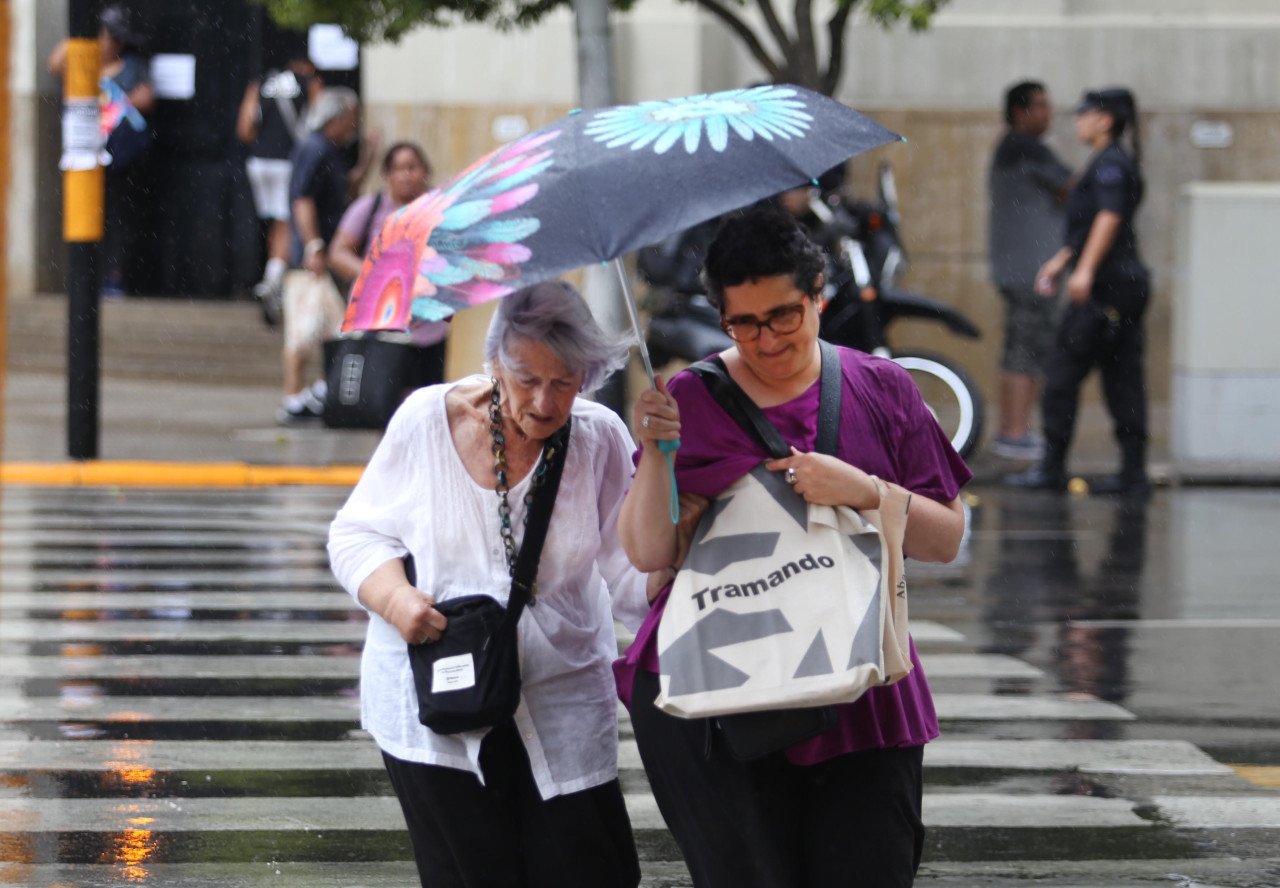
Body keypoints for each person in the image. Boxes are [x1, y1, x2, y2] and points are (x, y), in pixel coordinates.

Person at [617, 206, 971, 888]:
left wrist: (864, 490)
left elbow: (947, 537)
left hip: (859, 686)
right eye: (743, 322)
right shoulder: (689, 397)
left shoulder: (884, 389)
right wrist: (659, 454)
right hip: (719, 688)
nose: (766, 341)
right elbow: (646, 552)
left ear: (818, 294)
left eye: (784, 315)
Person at [327, 280, 647, 888]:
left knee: (588, 871)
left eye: (564, 381)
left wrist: (661, 467)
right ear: (495, 359)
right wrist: (396, 601)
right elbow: (357, 535)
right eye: (527, 378)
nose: (545, 402)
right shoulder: (427, 420)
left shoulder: (600, 436)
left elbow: (632, 574)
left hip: (560, 702)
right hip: (434, 704)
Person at [1006, 88, 1151, 495]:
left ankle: (1055, 467)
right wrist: (1062, 260)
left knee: (1065, 375)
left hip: (1108, 289)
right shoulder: (1107, 163)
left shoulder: (1110, 166)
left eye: (1084, 114)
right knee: (1121, 377)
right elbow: (1090, 226)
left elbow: (1108, 218)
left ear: (1105, 120)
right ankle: (1132, 474)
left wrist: (1083, 271)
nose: (1077, 121)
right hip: (1117, 286)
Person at [328, 141, 449, 408]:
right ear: (387, 175)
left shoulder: (439, 211)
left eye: (412, 168)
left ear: (424, 171)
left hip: (427, 328)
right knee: (384, 402)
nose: (405, 175)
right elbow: (338, 253)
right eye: (398, 168)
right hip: (381, 327)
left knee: (424, 405)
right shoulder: (370, 208)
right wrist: (378, 276)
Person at [988, 81, 1073, 460]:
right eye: (1040, 105)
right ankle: (1015, 433)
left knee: (1018, 349)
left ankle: (1012, 431)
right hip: (1031, 270)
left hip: (1017, 267)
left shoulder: (1012, 148)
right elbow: (1073, 187)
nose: (1048, 113)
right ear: (1020, 112)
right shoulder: (1026, 147)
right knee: (1027, 350)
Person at [47, 3, 155, 298]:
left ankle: (114, 277)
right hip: (84, 155)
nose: (113, 45)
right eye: (109, 36)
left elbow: (147, 96)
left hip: (119, 156)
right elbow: (55, 62)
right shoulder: (83, 59)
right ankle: (85, 277)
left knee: (118, 217)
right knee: (84, 215)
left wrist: (119, 101)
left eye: (118, 39)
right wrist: (82, 36)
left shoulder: (132, 65)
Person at [277, 87, 361, 425]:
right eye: (350, 119)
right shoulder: (314, 148)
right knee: (305, 327)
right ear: (336, 119)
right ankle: (294, 394)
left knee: (328, 327)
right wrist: (312, 244)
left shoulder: (328, 150)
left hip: (321, 254)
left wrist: (367, 157)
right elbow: (302, 199)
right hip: (311, 258)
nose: (353, 126)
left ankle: (311, 393)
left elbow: (341, 191)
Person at [236, 52, 323, 327]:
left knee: (277, 222)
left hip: (260, 162)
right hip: (289, 161)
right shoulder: (310, 82)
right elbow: (319, 121)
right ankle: (274, 280)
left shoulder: (261, 81)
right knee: (288, 223)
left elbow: (245, 130)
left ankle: (273, 273)